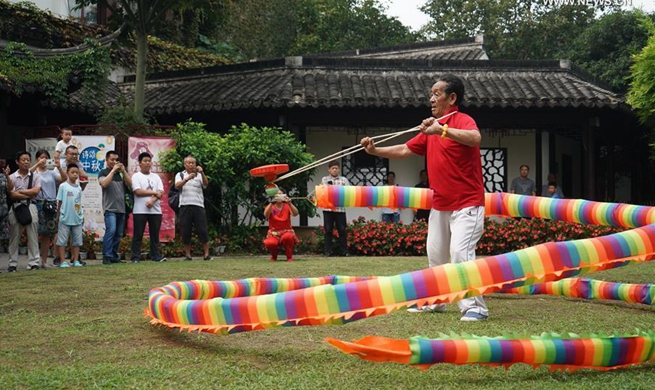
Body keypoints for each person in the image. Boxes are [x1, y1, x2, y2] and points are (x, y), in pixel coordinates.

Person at [360, 74, 489, 321]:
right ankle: (436, 300)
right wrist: (375, 150)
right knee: (436, 255)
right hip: (440, 204)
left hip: (467, 204)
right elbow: (404, 149)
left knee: (460, 254)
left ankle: (475, 308)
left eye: (437, 94)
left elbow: (475, 138)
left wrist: (443, 130)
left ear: (452, 98)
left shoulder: (461, 121)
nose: (431, 99)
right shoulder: (430, 130)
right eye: (431, 94)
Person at [7, 151, 42, 271]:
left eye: (28, 160)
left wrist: (20, 192)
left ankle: (34, 262)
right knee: (14, 235)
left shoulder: (35, 176)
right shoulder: (11, 177)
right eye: (23, 160)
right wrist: (28, 193)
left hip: (31, 206)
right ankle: (12, 263)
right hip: (15, 207)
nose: (26, 162)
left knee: (32, 234)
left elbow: (36, 192)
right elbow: (11, 195)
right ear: (17, 161)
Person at [31, 150, 65, 268]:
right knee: (35, 233)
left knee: (47, 234)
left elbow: (63, 179)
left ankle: (44, 261)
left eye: (46, 157)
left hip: (51, 204)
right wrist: (37, 164)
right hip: (38, 203)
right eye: (41, 157)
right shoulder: (34, 172)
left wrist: (59, 167)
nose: (44, 160)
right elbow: (27, 174)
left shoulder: (51, 173)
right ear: (36, 159)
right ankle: (33, 260)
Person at [130, 152, 166, 263]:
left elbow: (161, 192)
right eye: (145, 161)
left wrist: (152, 201)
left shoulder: (156, 177)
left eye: (149, 161)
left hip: (155, 211)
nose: (147, 163)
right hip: (140, 210)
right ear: (139, 163)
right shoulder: (136, 176)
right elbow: (138, 191)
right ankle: (135, 257)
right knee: (138, 234)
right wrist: (154, 193)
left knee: (155, 235)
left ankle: (156, 256)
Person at [175, 156, 212, 261]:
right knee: (186, 230)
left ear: (195, 165)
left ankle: (206, 254)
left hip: (198, 205)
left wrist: (203, 173)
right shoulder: (180, 174)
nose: (191, 165)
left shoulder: (199, 175)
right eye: (188, 163)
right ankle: (188, 255)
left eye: (193, 163)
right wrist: (187, 179)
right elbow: (177, 186)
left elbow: (206, 185)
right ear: (184, 165)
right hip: (185, 205)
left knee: (202, 230)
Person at [98, 151, 131, 265]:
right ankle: (106, 256)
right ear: (107, 160)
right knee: (111, 231)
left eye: (116, 160)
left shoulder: (120, 174)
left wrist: (124, 171)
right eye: (112, 159)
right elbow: (103, 184)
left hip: (121, 209)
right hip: (110, 208)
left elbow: (130, 184)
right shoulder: (103, 172)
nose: (114, 162)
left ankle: (113, 255)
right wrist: (113, 171)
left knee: (119, 233)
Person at [55, 164, 84, 268]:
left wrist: (80, 214)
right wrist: (58, 216)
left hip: (77, 218)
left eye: (77, 172)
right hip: (65, 218)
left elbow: (78, 203)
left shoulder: (79, 188)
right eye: (73, 172)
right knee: (62, 241)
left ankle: (75, 260)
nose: (75, 174)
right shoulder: (63, 186)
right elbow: (60, 202)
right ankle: (63, 261)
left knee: (77, 241)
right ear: (67, 173)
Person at [321, 160, 350, 257]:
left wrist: (333, 189)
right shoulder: (324, 179)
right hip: (328, 210)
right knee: (328, 230)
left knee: (342, 230)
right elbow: (325, 191)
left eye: (336, 168)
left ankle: (344, 251)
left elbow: (348, 192)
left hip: (340, 209)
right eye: (332, 168)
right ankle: (328, 251)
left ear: (339, 169)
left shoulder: (344, 180)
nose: (334, 170)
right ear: (329, 170)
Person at [263, 189, 299, 262]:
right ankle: (274, 256)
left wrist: (290, 203)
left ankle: (289, 257)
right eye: (277, 195)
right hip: (274, 233)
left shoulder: (287, 205)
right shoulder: (270, 206)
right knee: (269, 243)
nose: (279, 196)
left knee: (288, 237)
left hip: (286, 231)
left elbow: (295, 213)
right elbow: (266, 215)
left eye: (280, 194)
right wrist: (271, 203)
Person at [0, 160, 12, 269]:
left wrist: (7, 176)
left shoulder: (4, 177)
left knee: (2, 238)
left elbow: (10, 189)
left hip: (3, 210)